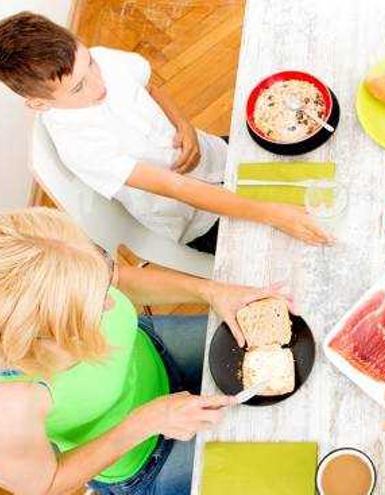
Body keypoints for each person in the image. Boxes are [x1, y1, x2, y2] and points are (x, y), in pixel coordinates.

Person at [0, 207, 293, 494]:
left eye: (102, 286)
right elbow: (47, 484)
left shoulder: (46, 261)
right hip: (147, 460)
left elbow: (120, 280)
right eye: (94, 309)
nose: (111, 303)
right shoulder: (10, 406)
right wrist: (148, 421)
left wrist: (211, 291)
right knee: (282, 465)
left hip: (156, 352)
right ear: (47, 341)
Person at [0, 12, 331, 254]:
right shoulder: (80, 145)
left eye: (90, 64)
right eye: (78, 88)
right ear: (39, 105)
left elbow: (149, 83)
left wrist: (182, 123)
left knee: (323, 186)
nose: (100, 85)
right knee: (293, 246)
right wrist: (273, 213)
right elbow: (178, 188)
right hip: (195, 216)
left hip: (214, 155)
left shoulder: (100, 60)